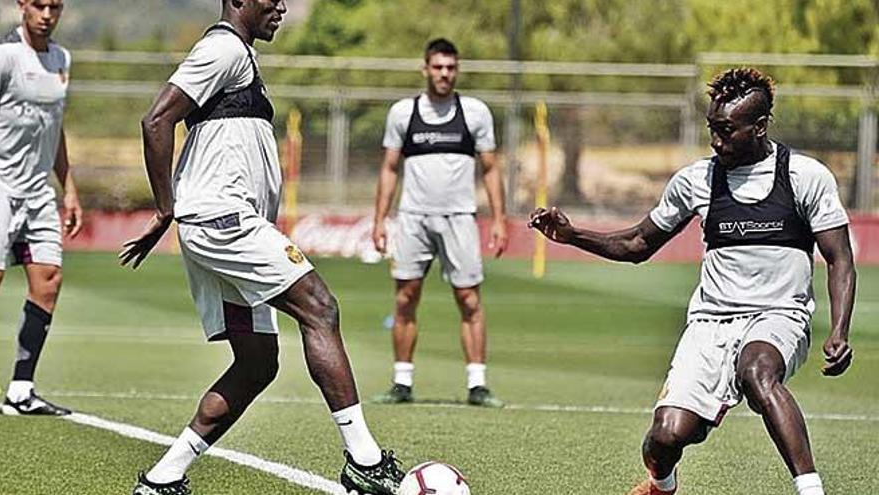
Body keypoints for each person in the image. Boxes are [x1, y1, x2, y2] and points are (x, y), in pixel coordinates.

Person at [120, 1, 403, 494]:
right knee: (320, 307)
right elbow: (156, 120)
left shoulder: (239, 54)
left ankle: (163, 477)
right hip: (223, 221)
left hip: (221, 223)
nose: (281, 6)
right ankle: (365, 460)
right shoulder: (223, 48)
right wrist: (166, 209)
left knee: (257, 363)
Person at [529, 68, 855, 495]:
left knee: (758, 374)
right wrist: (572, 236)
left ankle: (811, 489)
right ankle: (661, 486)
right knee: (666, 436)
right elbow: (637, 244)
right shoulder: (696, 180)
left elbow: (840, 258)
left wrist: (839, 331)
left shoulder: (804, 176)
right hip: (710, 324)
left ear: (759, 127)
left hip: (779, 316)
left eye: (726, 131)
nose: (716, 141)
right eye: (711, 129)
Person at [371, 38, 508, 408]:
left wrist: (498, 219)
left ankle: (478, 384)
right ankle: (402, 381)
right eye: (438, 67)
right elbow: (389, 169)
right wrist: (380, 219)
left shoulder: (475, 112)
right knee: (405, 297)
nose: (444, 74)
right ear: (425, 68)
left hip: (460, 219)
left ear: (457, 70)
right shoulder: (403, 113)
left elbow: (491, 170)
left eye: (451, 67)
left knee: (469, 299)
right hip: (413, 219)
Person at [0, 0, 82, 417]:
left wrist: (67, 187)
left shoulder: (62, 59)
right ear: (22, 7)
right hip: (0, 187)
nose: (47, 14)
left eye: (55, 6)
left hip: (39, 193)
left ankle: (20, 390)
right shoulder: (6, 58)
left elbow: (56, 125)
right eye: (39, 5)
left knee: (48, 280)